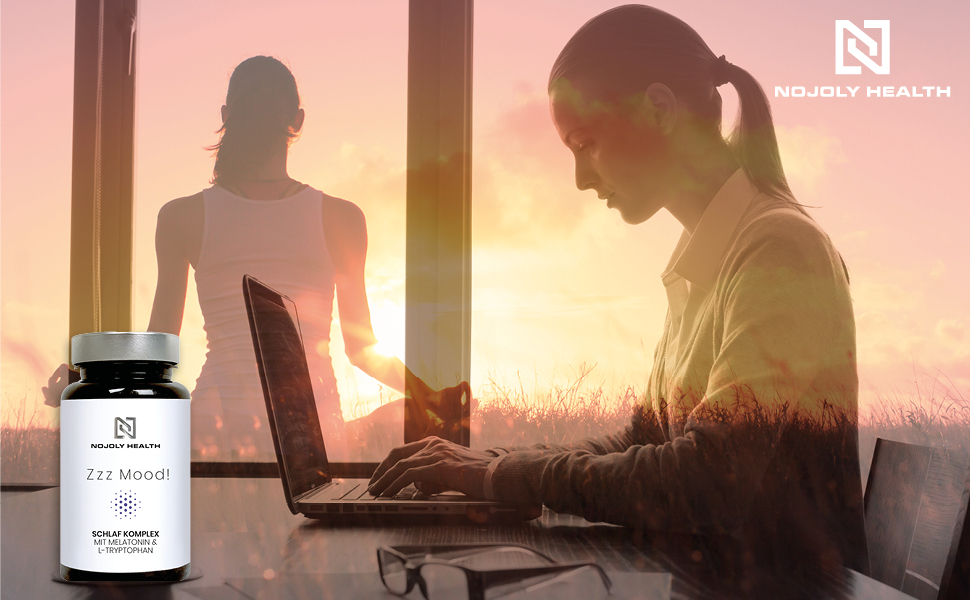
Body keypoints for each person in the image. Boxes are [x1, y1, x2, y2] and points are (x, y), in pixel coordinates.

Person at [367, 5, 869, 593]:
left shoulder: (779, 248)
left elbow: (710, 478)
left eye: (586, 143)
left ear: (659, 109)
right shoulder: (709, 252)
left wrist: (509, 476)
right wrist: (496, 464)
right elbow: (644, 441)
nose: (580, 178)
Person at [46, 56, 465, 462]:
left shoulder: (183, 216)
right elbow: (362, 349)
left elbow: (159, 348)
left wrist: (91, 378)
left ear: (227, 113)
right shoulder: (342, 217)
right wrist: (431, 398)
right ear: (297, 120)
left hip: (214, 430)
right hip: (314, 433)